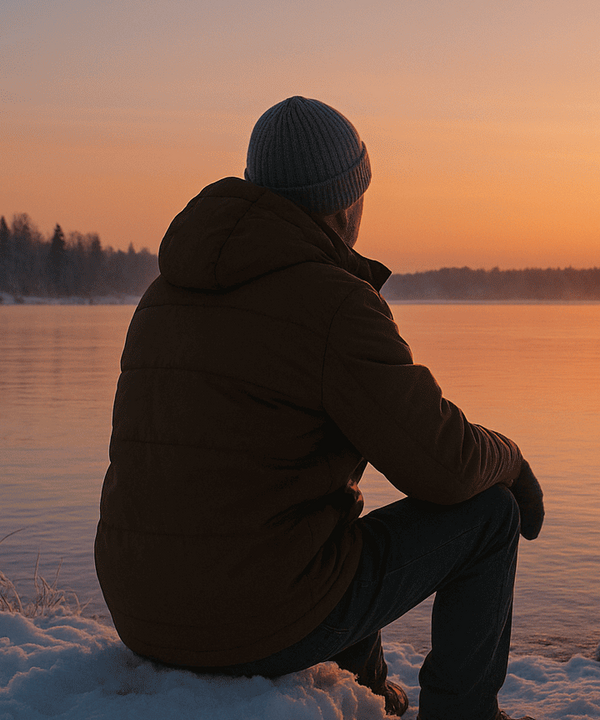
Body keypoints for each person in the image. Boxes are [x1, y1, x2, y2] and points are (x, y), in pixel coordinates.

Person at [95, 96, 544, 720]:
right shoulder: (334, 303)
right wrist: (511, 459)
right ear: (345, 202)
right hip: (246, 622)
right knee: (489, 513)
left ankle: (368, 693)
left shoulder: (163, 295)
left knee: (320, 518)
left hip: (142, 610)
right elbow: (440, 464)